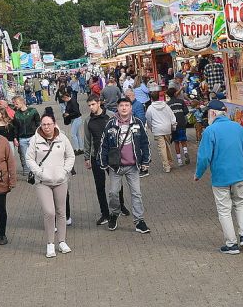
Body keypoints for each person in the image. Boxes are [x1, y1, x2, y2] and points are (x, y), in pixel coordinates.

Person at [194, 100, 243, 254]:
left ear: (212, 113)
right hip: (238, 175)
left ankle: (231, 245)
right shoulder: (238, 128)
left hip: (220, 177)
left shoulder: (210, 131)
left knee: (224, 210)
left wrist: (198, 174)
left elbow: (204, 157)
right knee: (241, 204)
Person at [98, 98, 151, 234]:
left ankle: (139, 221)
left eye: (127, 105)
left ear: (131, 108)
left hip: (133, 166)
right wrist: (103, 162)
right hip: (116, 167)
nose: (124, 108)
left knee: (136, 194)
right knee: (113, 193)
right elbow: (104, 144)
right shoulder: (111, 124)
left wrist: (146, 161)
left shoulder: (137, 122)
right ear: (117, 107)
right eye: (121, 105)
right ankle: (114, 214)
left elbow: (145, 142)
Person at [26, 114, 76, 257]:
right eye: (44, 124)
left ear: (54, 124)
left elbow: (70, 156)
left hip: (61, 180)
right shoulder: (35, 140)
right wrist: (40, 172)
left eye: (49, 124)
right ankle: (50, 244)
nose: (46, 127)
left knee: (61, 212)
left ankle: (62, 241)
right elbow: (29, 158)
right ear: (40, 125)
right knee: (49, 212)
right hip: (43, 182)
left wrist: (65, 171)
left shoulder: (62, 138)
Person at [82, 94, 127, 225]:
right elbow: (87, 140)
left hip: (112, 156)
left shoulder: (112, 116)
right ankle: (105, 213)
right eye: (89, 105)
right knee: (99, 186)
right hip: (96, 157)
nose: (91, 107)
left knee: (117, 183)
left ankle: (121, 206)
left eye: (93, 104)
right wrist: (86, 157)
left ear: (99, 103)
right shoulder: (88, 121)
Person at [145, 91, 176, 173]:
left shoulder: (150, 108)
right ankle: (170, 161)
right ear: (159, 97)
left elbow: (148, 120)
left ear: (151, 99)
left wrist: (151, 128)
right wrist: (173, 126)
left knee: (162, 148)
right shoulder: (166, 106)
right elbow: (172, 116)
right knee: (168, 146)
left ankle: (166, 166)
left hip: (157, 129)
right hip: (167, 128)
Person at [12, 97, 41, 174]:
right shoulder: (16, 114)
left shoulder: (33, 111)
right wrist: (15, 138)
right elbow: (15, 127)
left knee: (35, 154)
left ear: (22, 102)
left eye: (16, 103)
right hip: (22, 138)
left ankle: (36, 171)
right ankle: (29, 173)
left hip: (32, 136)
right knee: (25, 157)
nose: (15, 105)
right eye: (14, 104)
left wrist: (39, 135)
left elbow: (38, 123)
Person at [166, 87, 190, 168]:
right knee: (183, 140)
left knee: (176, 142)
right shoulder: (181, 101)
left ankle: (179, 160)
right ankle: (185, 151)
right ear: (175, 94)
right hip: (182, 123)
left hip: (174, 125)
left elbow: (167, 116)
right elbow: (186, 111)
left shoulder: (168, 104)